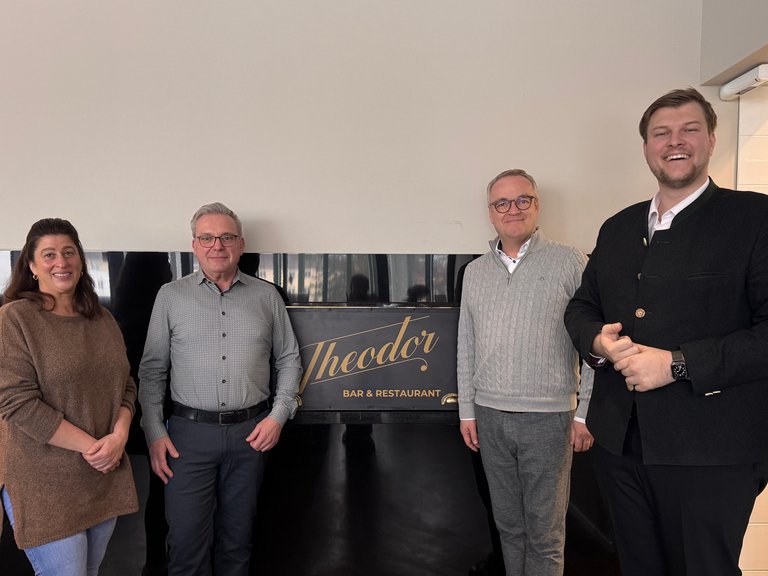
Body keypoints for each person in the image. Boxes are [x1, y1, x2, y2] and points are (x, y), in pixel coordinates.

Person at [564, 87, 768, 576]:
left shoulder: (755, 219)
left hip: (712, 450)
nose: (675, 141)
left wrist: (676, 365)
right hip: (619, 444)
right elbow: (581, 307)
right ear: (646, 147)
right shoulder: (618, 227)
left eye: (689, 129)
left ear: (711, 139)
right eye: (662, 133)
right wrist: (598, 342)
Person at [138, 202, 303, 576]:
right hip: (187, 439)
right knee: (185, 545)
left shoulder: (266, 297)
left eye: (227, 237)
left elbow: (289, 359)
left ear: (241, 245)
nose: (217, 245)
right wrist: (154, 432)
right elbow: (151, 371)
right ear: (194, 245)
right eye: (207, 238)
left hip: (252, 436)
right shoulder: (171, 296)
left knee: (238, 542)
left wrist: (278, 416)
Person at [457, 169, 594, 576]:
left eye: (522, 200)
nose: (512, 209)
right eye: (502, 203)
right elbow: (466, 345)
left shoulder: (571, 261)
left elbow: (593, 342)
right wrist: (467, 411)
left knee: (545, 535)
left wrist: (585, 411)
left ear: (537, 205)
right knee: (509, 528)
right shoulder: (475, 272)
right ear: (490, 212)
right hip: (489, 418)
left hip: (549, 419)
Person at [0, 218, 138, 576]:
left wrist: (119, 436)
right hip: (44, 481)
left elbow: (126, 384)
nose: (61, 262)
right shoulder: (14, 319)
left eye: (69, 252)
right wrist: (95, 448)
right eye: (49, 255)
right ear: (31, 266)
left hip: (102, 474)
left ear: (80, 260)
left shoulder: (102, 318)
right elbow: (17, 403)